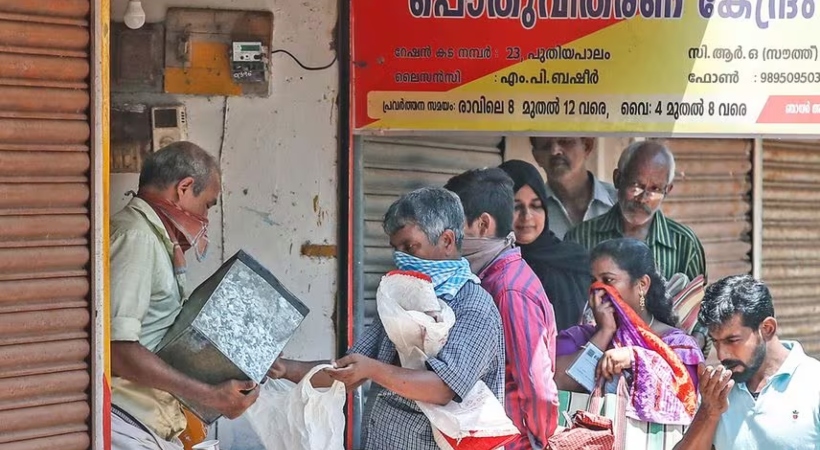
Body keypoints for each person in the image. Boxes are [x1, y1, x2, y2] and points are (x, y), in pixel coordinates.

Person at [269, 187, 505, 450]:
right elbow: (350, 369)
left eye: (410, 246)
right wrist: (286, 369)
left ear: (447, 241)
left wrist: (372, 369)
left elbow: (442, 388)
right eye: (396, 248)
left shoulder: (474, 307)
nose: (400, 257)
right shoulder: (399, 303)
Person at [110, 142, 259, 450]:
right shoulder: (136, 237)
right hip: (126, 422)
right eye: (207, 204)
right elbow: (118, 350)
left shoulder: (154, 239)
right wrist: (208, 393)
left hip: (145, 423)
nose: (205, 217)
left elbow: (156, 332)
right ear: (185, 187)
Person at [445, 168, 558, 450]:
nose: (447, 239)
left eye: (455, 227)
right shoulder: (490, 277)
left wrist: (538, 441)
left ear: (483, 224)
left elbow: (538, 389)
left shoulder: (508, 290)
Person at [564, 141, 709, 352]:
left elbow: (703, 314)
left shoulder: (684, 243)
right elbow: (568, 308)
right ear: (617, 179)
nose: (643, 197)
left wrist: (692, 345)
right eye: (636, 185)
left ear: (668, 190)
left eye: (655, 189)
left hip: (664, 368)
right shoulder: (581, 238)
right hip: (596, 363)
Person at [555, 238, 703, 425]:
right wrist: (604, 333)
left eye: (608, 280)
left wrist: (635, 357)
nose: (598, 289)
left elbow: (685, 397)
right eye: (594, 281)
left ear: (642, 285)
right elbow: (554, 383)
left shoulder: (677, 345)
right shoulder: (580, 337)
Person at [674, 275, 820, 450]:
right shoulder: (716, 393)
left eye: (732, 340)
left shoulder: (814, 384)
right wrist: (708, 412)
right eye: (715, 342)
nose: (721, 355)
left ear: (767, 329)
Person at [499, 160, 590, 332]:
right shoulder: (492, 266)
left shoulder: (575, 260)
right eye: (516, 207)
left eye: (536, 206)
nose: (527, 216)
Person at [530, 137, 617, 239]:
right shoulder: (529, 213)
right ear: (536, 157)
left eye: (565, 142)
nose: (554, 151)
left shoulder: (619, 202)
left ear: (587, 146)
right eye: (546, 146)